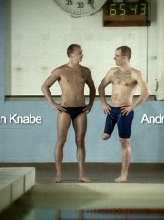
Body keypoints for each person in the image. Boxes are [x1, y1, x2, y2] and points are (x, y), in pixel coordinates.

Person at [41, 44, 96, 183]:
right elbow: (44, 86)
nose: (82, 55)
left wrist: (90, 104)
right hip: (65, 110)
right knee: (61, 141)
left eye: (81, 52)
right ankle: (58, 174)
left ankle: (82, 174)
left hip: (81, 109)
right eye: (79, 53)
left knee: (80, 141)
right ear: (71, 54)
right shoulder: (60, 70)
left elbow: (92, 87)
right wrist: (54, 104)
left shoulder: (85, 71)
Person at [98, 46, 150, 183]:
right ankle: (108, 131)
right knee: (105, 136)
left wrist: (132, 106)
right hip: (111, 110)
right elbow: (101, 86)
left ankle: (124, 174)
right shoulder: (112, 71)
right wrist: (103, 103)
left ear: (125, 57)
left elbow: (146, 92)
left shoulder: (135, 73)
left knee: (124, 141)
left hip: (124, 111)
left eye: (117, 56)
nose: (114, 58)